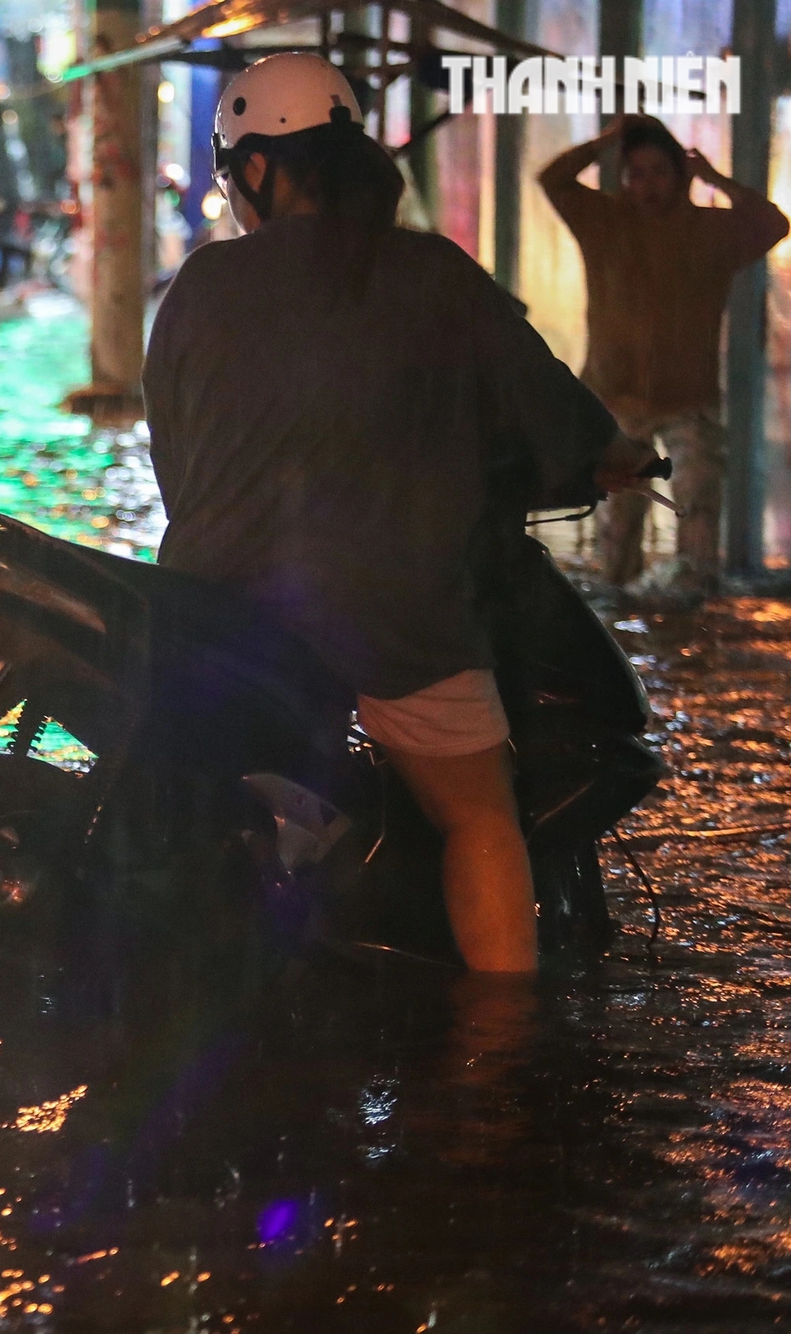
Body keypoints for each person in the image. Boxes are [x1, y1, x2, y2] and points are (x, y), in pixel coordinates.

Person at [143, 53, 657, 974]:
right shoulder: (433, 274)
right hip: (393, 609)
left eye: (230, 176)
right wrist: (613, 455)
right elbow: (550, 410)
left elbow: (176, 467)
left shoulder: (199, 288)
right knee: (479, 816)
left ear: (256, 167)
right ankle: (501, 1057)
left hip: (217, 605)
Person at [541, 115, 787, 600]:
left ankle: (687, 615)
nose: (648, 185)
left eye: (659, 172)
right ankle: (621, 630)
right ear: (623, 180)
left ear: (680, 176)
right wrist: (606, 141)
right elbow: (553, 180)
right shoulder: (603, 222)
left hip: (687, 400)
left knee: (697, 521)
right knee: (615, 537)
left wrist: (715, 179)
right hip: (615, 398)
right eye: (636, 173)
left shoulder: (711, 232)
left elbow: (773, 223)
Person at [0, 104, 35, 291]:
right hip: (10, 200)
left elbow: (3, 171)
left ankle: (8, 279)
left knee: (6, 240)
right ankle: (5, 280)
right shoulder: (6, 140)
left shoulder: (6, 140)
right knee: (5, 241)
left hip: (9, 201)